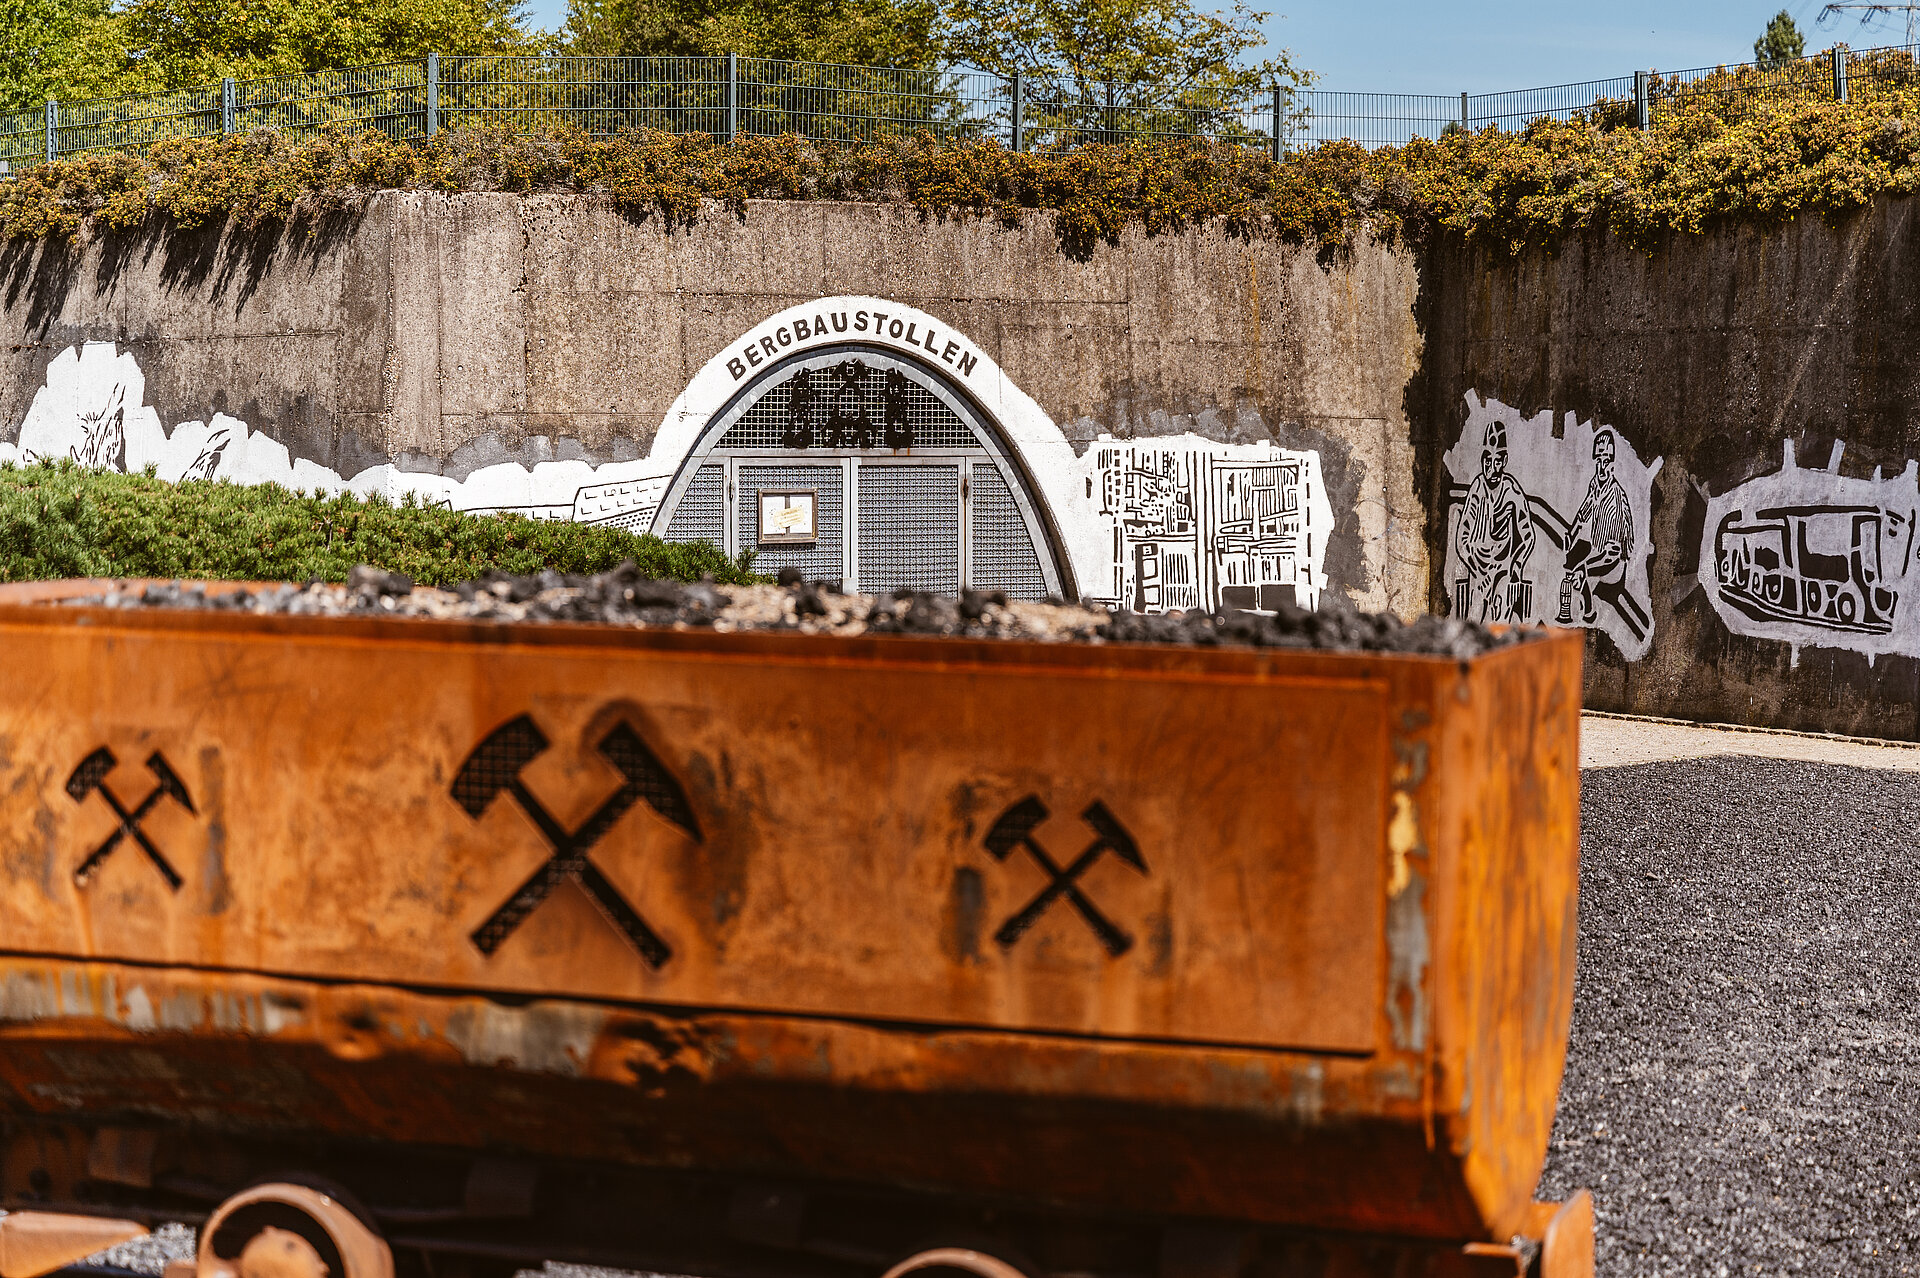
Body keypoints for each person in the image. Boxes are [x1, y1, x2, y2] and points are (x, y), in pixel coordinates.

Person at [1457, 418, 1536, 621]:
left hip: (1504, 569)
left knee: (1500, 622)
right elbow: (1461, 539)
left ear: (1505, 461)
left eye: (1497, 461)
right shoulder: (1477, 488)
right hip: (1479, 568)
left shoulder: (1512, 491)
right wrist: (1477, 570)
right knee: (1474, 619)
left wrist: (1516, 567)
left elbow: (1528, 537)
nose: (1492, 468)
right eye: (1488, 461)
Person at [1558, 429, 1632, 625]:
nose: (1601, 467)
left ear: (1613, 464)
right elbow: (1585, 510)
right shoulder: (1596, 485)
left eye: (1606, 461)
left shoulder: (1615, 498)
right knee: (1573, 557)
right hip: (1598, 550)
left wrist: (1585, 568)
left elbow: (1613, 555)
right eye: (1598, 460)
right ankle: (1570, 608)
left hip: (1613, 562)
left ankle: (1589, 611)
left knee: (1579, 570)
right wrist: (1572, 534)